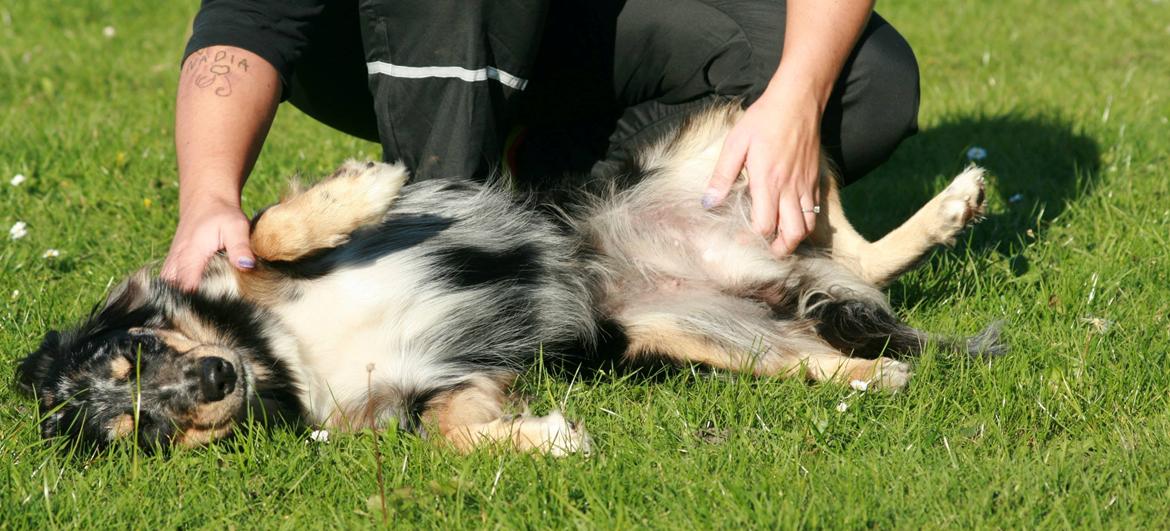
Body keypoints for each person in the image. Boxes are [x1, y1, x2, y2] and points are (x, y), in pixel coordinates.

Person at [161, 0, 920, 290]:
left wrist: (796, 93)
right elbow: (245, 24)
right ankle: (452, 271)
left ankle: (552, 183)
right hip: (380, 32)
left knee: (864, 85)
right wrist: (208, 199)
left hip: (586, 26)